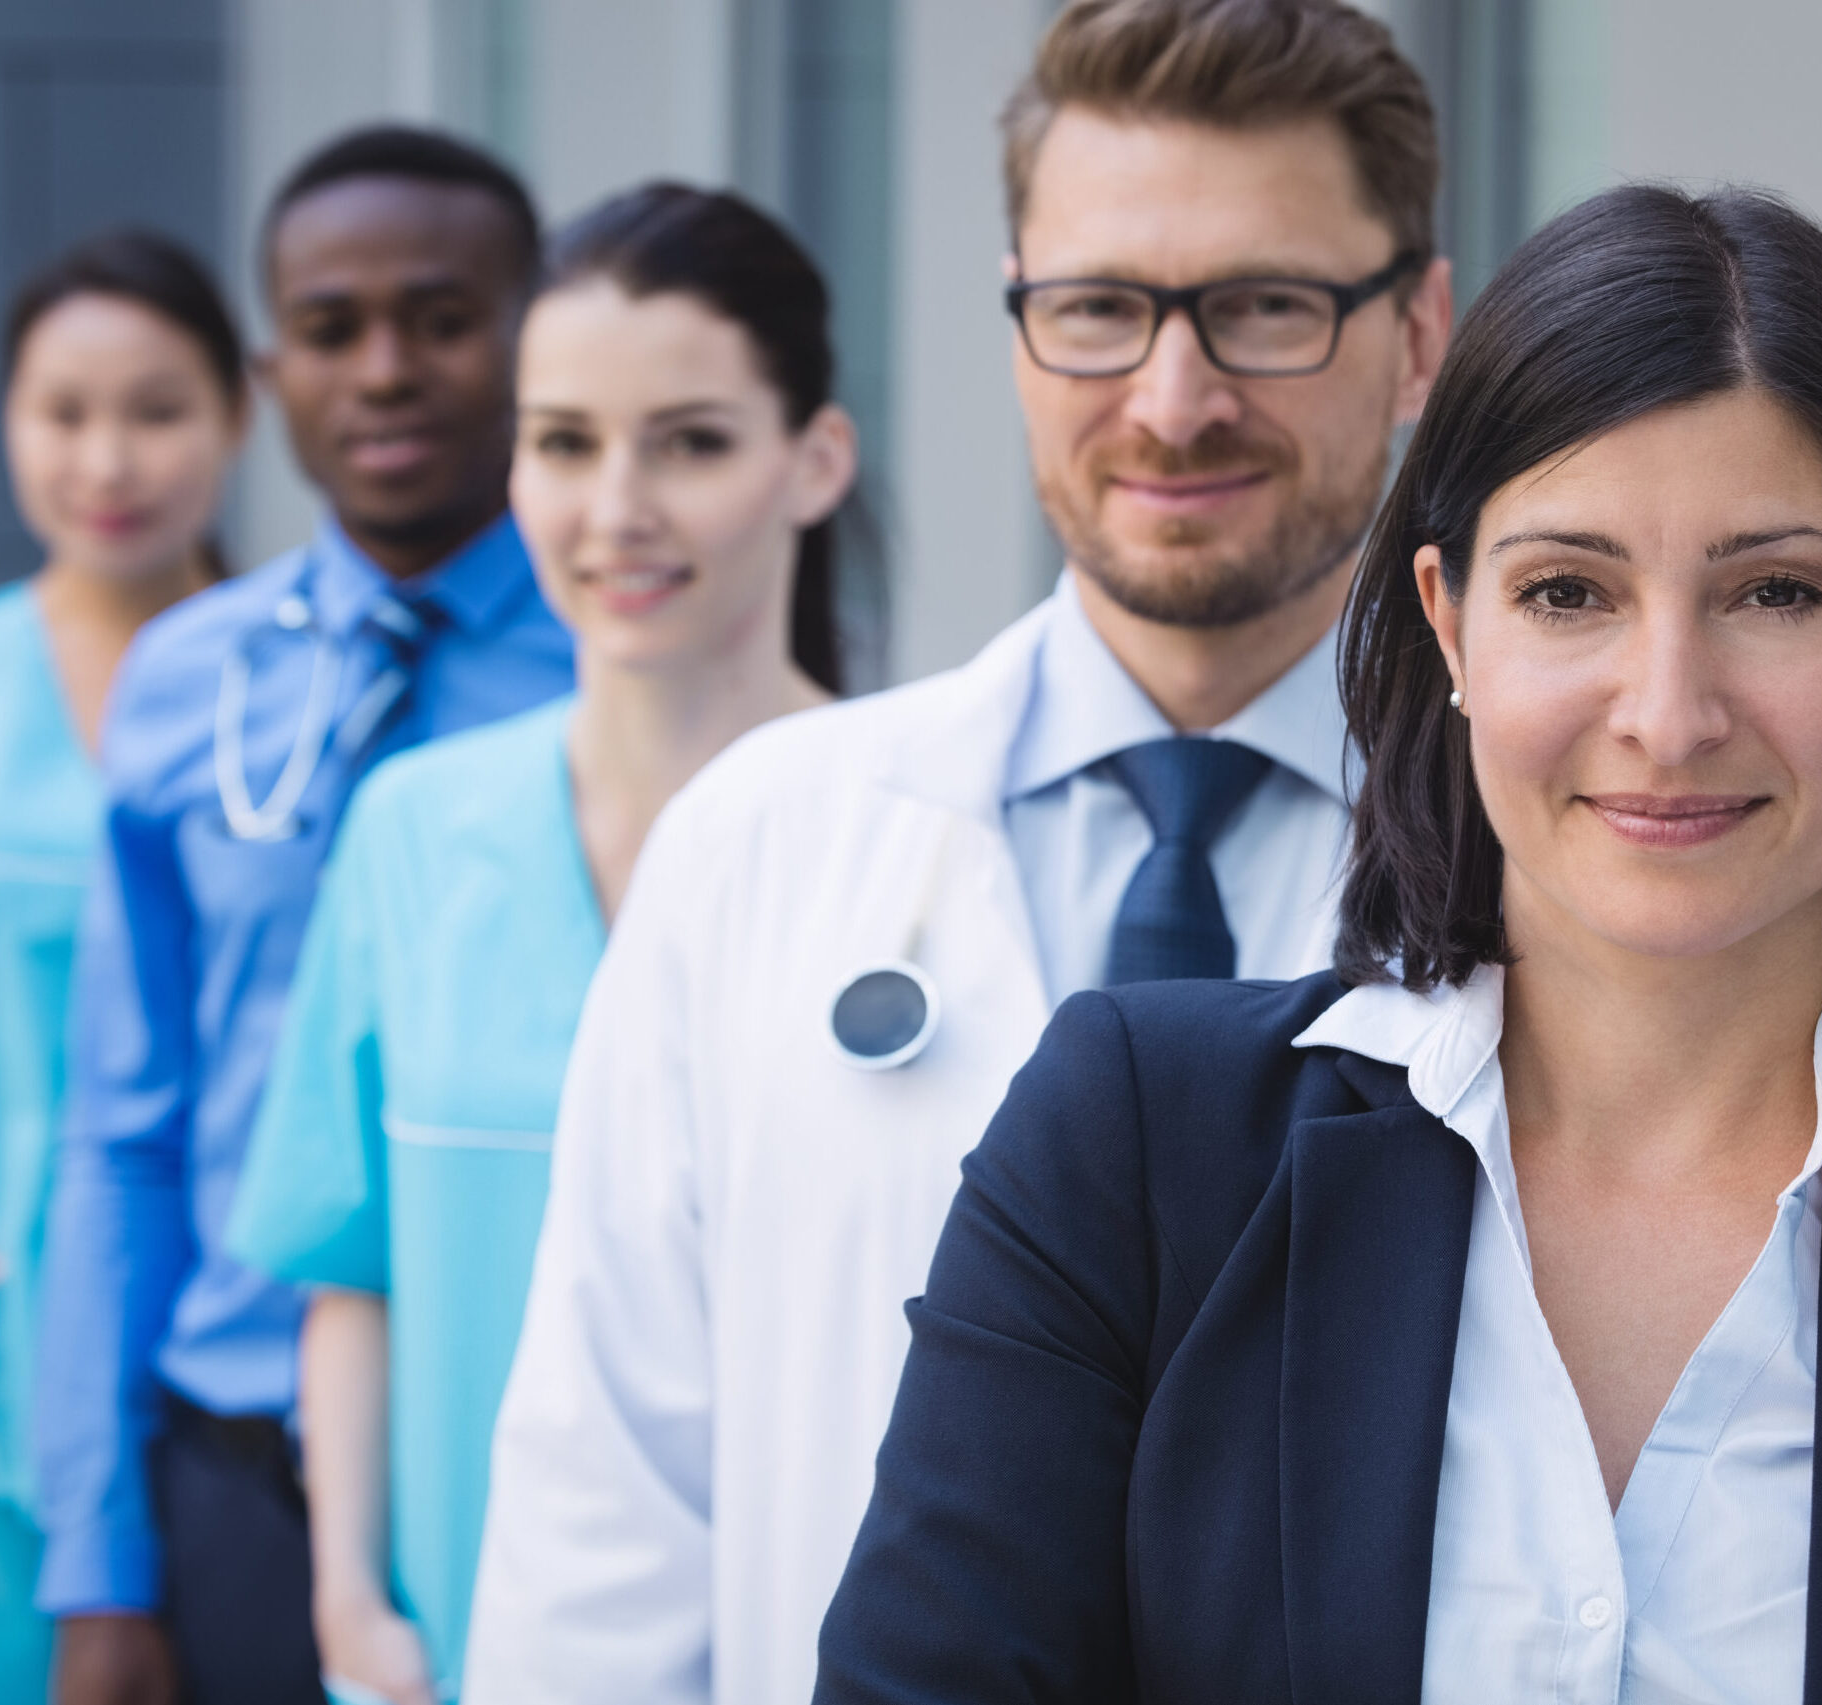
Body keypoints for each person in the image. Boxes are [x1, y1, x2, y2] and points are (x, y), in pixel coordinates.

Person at [813, 183, 1822, 1704]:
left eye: (1771, 592)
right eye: (1567, 592)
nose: (1666, 710)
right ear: (1448, 625)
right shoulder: (1133, 1149)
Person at [464, 3, 1453, 1701]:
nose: (1172, 396)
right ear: (1016, 323)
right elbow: (604, 1525)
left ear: (1418, 332)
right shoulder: (762, 847)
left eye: (1265, 309)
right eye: (1095, 311)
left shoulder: (1545, 873)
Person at [226, 183, 858, 1705]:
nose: (615, 506)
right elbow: (353, 1268)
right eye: (565, 442)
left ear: (812, 460)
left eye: (691, 441)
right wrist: (349, 1607)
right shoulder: (416, 830)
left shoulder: (914, 835)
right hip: (454, 1656)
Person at [33, 127, 574, 1705]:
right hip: (238, 1466)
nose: (387, 369)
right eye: (334, 329)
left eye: (442, 316)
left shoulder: (632, 674)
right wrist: (101, 1560)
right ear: (273, 374)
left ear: (532, 336)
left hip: (524, 1447)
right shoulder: (189, 680)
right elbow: (118, 1130)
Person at [0, 229, 244, 1705]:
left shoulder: (301, 683)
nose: (109, 457)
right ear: (10, 420)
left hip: (227, 1363)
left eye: (157, 409)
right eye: (63, 411)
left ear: (237, 414)